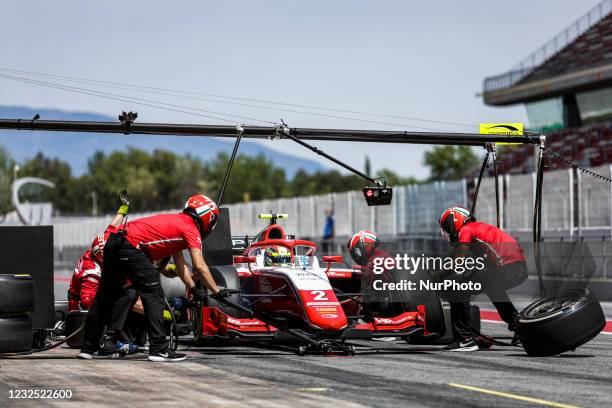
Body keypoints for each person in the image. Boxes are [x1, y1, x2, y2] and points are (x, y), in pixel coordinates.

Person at [79, 194, 232, 362]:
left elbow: (180, 265)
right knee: (154, 295)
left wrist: (194, 289)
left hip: (114, 243)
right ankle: (159, 349)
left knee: (104, 297)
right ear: (208, 218)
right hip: (131, 246)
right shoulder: (190, 228)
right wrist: (216, 291)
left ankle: (88, 348)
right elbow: (199, 266)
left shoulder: (178, 222)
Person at [438, 206, 528, 352]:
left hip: (507, 267)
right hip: (518, 267)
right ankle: (522, 327)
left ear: (454, 220)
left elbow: (458, 262)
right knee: (493, 290)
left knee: (458, 289)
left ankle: (464, 339)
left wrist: (437, 275)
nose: (447, 232)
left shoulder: (466, 230)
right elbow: (479, 266)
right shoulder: (479, 229)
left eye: (447, 227)